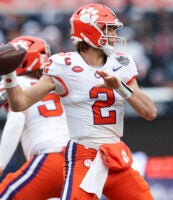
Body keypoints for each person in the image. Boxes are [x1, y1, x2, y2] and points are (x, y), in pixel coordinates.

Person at [2, 3, 157, 200]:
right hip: (83, 156)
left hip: (116, 156)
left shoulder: (121, 63)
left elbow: (150, 112)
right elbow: (20, 103)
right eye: (107, 28)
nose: (113, 34)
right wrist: (9, 74)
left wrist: (120, 87)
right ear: (89, 31)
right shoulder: (63, 65)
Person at [0, 36, 70, 200]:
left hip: (50, 158)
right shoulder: (57, 86)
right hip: (80, 162)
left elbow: (16, 120)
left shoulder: (19, 84)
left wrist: (1, 164)